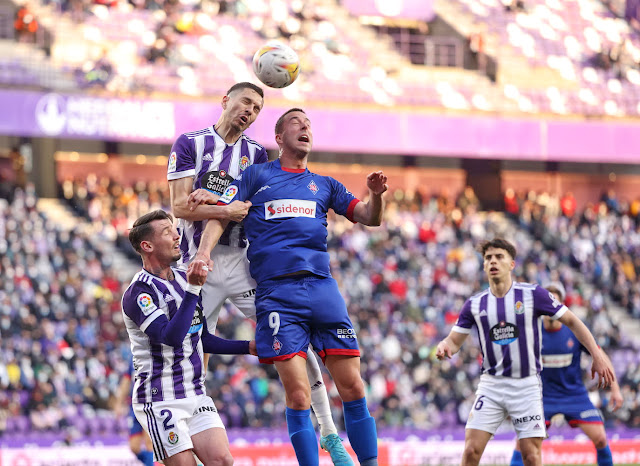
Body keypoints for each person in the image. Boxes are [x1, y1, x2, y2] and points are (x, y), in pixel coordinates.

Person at [192, 108, 387, 466]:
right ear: (279, 138)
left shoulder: (326, 185)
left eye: (309, 124)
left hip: (323, 290)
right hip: (277, 295)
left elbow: (370, 218)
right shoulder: (256, 175)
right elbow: (223, 214)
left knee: (355, 388)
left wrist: (375, 195)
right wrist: (203, 253)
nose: (305, 127)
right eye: (296, 123)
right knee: (298, 396)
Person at [169, 84, 352, 464]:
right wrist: (224, 210)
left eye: (256, 107)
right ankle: (184, 440)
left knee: (295, 338)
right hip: (197, 263)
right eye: (245, 103)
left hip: (241, 262)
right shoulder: (190, 143)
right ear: (225, 101)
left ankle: (330, 434)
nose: (249, 111)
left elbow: (249, 204)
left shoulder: (255, 154)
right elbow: (179, 208)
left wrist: (223, 205)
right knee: (191, 352)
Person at [436, 238, 615, 466]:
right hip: (491, 386)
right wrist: (444, 346)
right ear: (483, 265)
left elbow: (572, 320)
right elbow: (454, 341)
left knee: (531, 456)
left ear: (512, 264)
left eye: (499, 256)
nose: (493, 261)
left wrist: (597, 355)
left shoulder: (533, 295)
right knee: (471, 451)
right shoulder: (474, 304)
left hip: (526, 386)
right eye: (488, 257)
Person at [122, 209, 257, 465]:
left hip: (195, 392)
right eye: (167, 232)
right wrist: (195, 289)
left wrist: (248, 347)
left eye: (174, 229)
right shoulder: (138, 293)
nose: (177, 236)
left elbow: (201, 337)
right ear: (147, 245)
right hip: (160, 398)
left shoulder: (185, 278)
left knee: (223, 461)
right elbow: (170, 338)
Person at [509, 282, 623, 466]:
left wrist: (615, 388)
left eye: (555, 299)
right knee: (523, 445)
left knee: (601, 439)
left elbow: (601, 356)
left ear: (561, 305)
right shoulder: (531, 333)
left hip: (574, 395)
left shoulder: (575, 331)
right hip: (541, 397)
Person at [114, 360, 154, 466]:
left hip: (150, 405)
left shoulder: (154, 352)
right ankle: (153, 462)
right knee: (134, 447)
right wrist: (118, 403)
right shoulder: (133, 357)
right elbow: (126, 381)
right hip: (135, 406)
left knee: (150, 443)